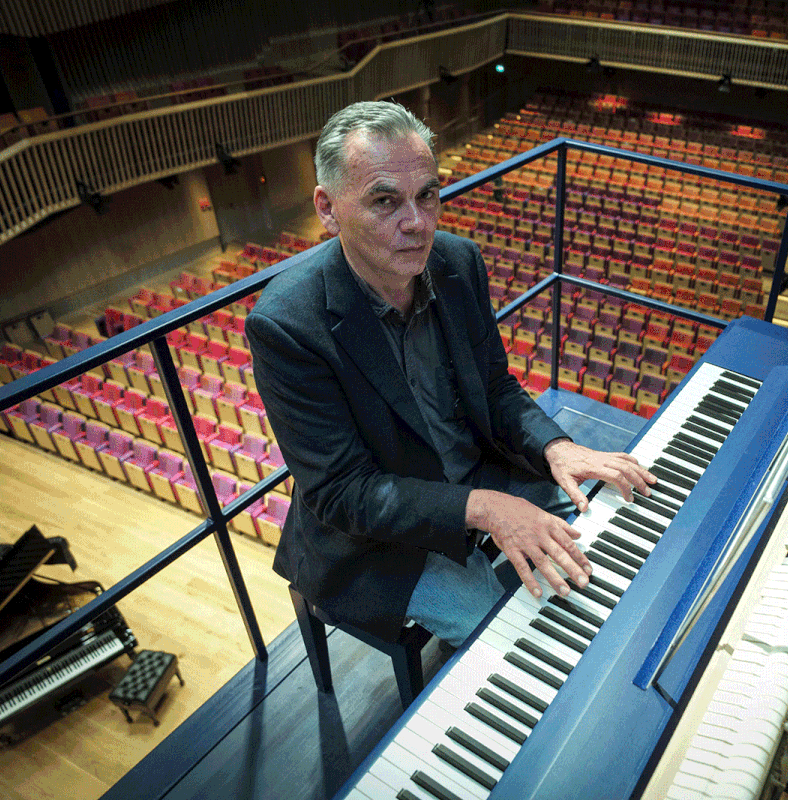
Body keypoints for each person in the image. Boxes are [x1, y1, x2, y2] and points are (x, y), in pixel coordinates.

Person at [245, 101, 655, 647]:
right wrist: (486, 510)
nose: (416, 223)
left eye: (427, 195)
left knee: (623, 507)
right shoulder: (286, 325)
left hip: (474, 472)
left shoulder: (458, 262)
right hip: (375, 538)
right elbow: (346, 493)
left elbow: (495, 388)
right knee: (517, 639)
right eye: (385, 201)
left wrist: (556, 448)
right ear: (327, 207)